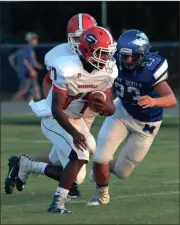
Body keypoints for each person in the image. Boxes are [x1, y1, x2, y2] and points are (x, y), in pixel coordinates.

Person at [6, 26, 118, 214]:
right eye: (102, 53)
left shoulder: (108, 70)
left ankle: (27, 165)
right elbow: (56, 108)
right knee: (79, 155)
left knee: (79, 172)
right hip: (54, 118)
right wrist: (74, 134)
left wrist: (106, 107)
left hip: (76, 119)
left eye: (108, 54)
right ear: (88, 50)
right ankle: (57, 203)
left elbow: (110, 106)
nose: (106, 58)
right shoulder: (66, 67)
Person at [5, 13, 98, 198]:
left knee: (66, 155)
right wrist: (57, 104)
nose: (80, 42)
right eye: (77, 38)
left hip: (84, 113)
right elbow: (49, 81)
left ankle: (24, 164)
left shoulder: (102, 53)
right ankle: (69, 185)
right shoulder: (62, 58)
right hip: (64, 114)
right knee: (79, 159)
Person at [87, 29, 177, 206]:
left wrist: (153, 100)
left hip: (147, 123)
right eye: (125, 56)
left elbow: (171, 99)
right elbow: (106, 84)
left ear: (143, 55)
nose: (128, 61)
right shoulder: (111, 61)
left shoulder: (152, 69)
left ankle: (102, 169)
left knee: (122, 172)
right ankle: (102, 195)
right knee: (100, 158)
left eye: (134, 57)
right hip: (122, 112)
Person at [8, 32, 43, 101]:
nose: (36, 41)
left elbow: (11, 57)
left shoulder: (26, 48)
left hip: (27, 72)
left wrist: (39, 66)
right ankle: (12, 101)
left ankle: (30, 104)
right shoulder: (27, 48)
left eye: (36, 39)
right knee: (25, 89)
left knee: (34, 88)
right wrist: (31, 70)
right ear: (29, 40)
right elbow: (25, 61)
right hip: (26, 73)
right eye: (34, 39)